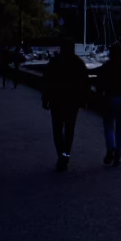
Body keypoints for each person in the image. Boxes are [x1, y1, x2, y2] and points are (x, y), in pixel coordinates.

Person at [42, 39, 92, 172]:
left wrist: (45, 99)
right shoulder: (78, 63)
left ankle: (61, 154)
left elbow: (46, 81)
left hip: (56, 100)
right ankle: (65, 154)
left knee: (57, 129)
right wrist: (85, 100)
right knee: (70, 129)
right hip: (72, 101)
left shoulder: (54, 62)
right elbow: (85, 83)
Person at [94, 46, 121, 167]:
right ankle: (118, 154)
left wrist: (99, 98)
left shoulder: (106, 67)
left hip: (110, 98)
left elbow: (99, 85)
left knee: (108, 125)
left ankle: (110, 148)